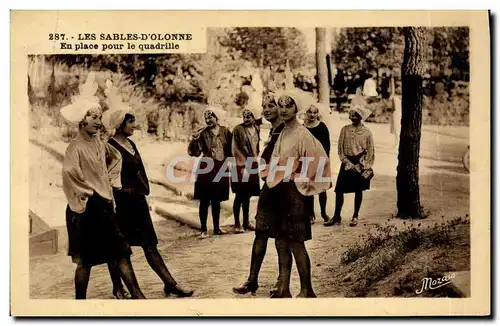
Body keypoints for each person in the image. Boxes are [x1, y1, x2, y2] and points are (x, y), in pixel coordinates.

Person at [61, 73, 146, 299]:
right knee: (86, 262)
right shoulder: (75, 147)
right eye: (93, 117)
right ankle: (80, 304)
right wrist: (89, 194)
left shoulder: (99, 143)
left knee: (121, 253)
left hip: (104, 206)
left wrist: (109, 183)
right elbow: (70, 175)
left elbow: (115, 156)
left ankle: (138, 298)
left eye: (99, 117)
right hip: (85, 209)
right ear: (82, 120)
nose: (98, 122)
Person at [102, 94, 194, 298]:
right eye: (131, 121)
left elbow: (139, 173)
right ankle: (119, 287)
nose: (135, 125)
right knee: (119, 249)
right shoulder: (109, 147)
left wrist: (143, 191)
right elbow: (106, 177)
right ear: (120, 123)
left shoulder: (130, 144)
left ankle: (170, 284)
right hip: (120, 205)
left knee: (150, 245)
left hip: (138, 203)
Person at [265, 89, 331, 298]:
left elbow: (319, 162)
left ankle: (307, 289)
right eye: (281, 105)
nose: (283, 110)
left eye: (289, 105)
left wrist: (299, 178)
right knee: (280, 240)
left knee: (295, 242)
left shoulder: (303, 135)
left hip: (295, 194)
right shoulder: (283, 132)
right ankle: (284, 288)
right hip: (279, 190)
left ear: (297, 108)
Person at [232, 94, 287, 296]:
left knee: (282, 237)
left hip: (283, 189)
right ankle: (252, 280)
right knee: (260, 232)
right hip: (269, 188)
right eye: (263, 106)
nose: (266, 109)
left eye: (271, 105)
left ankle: (282, 283)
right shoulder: (271, 130)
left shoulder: (284, 130)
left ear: (281, 108)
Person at [324, 104, 375, 227]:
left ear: (360, 117)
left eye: (355, 115)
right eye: (351, 115)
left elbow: (370, 151)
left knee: (358, 190)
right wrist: (346, 162)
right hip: (347, 162)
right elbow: (340, 149)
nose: (352, 117)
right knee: (339, 190)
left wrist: (363, 165)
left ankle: (355, 216)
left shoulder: (367, 132)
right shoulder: (345, 129)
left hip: (360, 163)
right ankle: (337, 216)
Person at [188, 106, 233, 237]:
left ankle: (217, 228)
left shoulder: (225, 131)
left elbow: (232, 149)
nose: (208, 120)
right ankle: (203, 229)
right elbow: (194, 153)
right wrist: (194, 140)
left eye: (210, 117)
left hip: (221, 168)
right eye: (206, 117)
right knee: (204, 200)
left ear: (217, 117)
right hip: (206, 169)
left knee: (216, 200)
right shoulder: (202, 133)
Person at [231, 109, 262, 232]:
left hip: (252, 163)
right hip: (239, 164)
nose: (246, 118)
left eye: (249, 116)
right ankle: (237, 224)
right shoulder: (238, 129)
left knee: (247, 195)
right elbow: (235, 148)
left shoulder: (256, 128)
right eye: (244, 116)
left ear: (254, 117)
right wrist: (242, 166)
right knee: (239, 195)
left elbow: (256, 147)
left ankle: (246, 222)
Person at [302, 102, 332, 224]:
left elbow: (327, 146)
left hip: (320, 161)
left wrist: (324, 161)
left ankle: (324, 213)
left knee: (322, 189)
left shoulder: (322, 127)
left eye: (315, 112)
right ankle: (310, 214)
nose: (312, 115)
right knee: (309, 188)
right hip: (306, 161)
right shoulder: (303, 127)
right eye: (310, 112)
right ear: (306, 113)